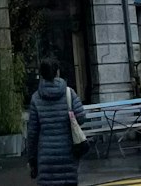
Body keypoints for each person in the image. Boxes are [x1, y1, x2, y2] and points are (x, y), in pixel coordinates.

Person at [26, 56, 86, 186]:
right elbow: (81, 118)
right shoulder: (69, 93)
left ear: (41, 74)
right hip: (68, 152)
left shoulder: (36, 98)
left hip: (46, 156)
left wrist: (32, 159)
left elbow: (32, 133)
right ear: (57, 72)